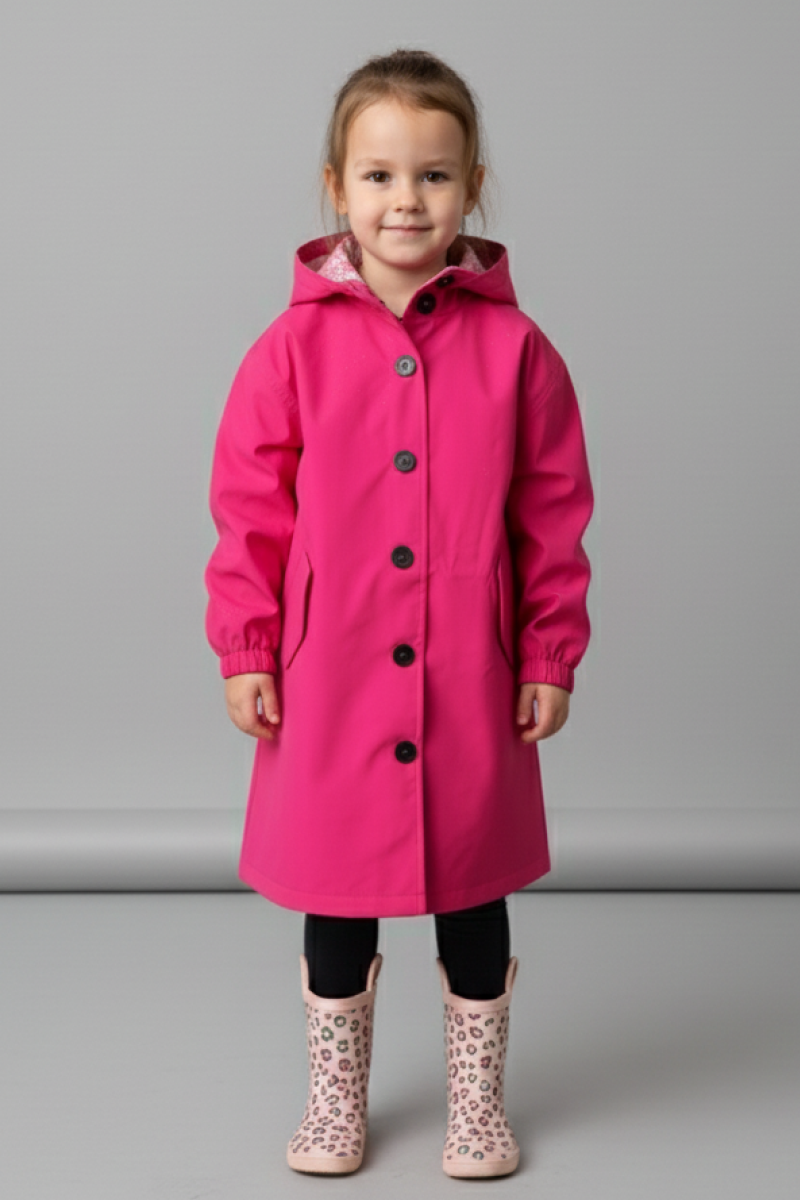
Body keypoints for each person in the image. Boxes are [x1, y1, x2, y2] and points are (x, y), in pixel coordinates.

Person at [204, 47, 594, 1180]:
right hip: (331, 673)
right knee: (337, 896)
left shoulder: (517, 351)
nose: (404, 201)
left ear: (470, 186)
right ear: (336, 187)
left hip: (468, 669)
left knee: (473, 892)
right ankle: (337, 1106)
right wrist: (248, 647)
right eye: (377, 177)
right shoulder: (290, 348)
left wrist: (547, 653)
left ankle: (477, 1106)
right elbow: (247, 513)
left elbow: (553, 515)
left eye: (431, 176)